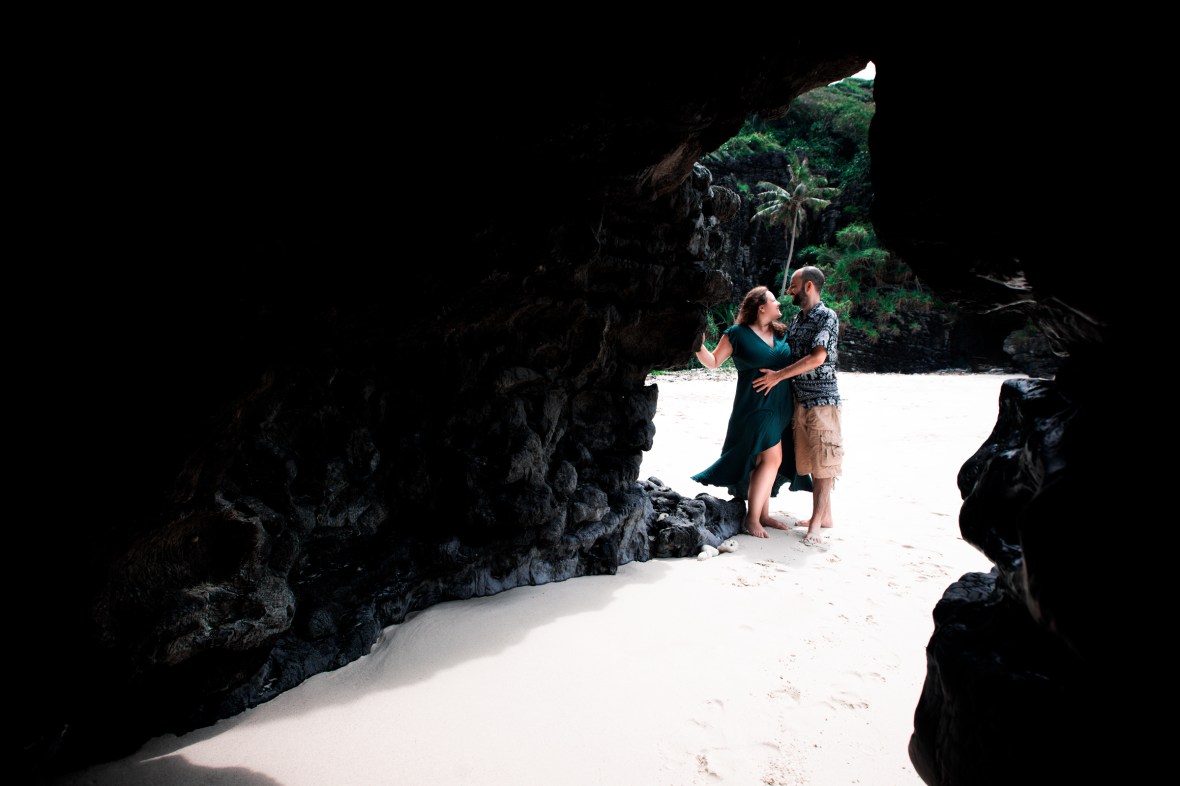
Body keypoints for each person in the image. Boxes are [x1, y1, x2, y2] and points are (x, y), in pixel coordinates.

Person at [691, 285, 813, 538]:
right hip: (754, 406)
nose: (779, 303)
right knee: (772, 459)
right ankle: (752, 518)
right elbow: (714, 362)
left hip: (780, 407)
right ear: (760, 307)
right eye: (773, 300)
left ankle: (764, 514)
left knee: (763, 459)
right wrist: (697, 347)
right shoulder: (737, 334)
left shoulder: (781, 333)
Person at [751, 266, 843, 545]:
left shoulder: (827, 316)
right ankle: (825, 515)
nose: (788, 291)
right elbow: (783, 350)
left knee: (825, 460)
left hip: (822, 400)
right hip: (798, 400)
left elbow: (818, 357)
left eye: (793, 285)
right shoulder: (798, 319)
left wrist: (778, 377)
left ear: (809, 287)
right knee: (811, 459)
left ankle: (817, 522)